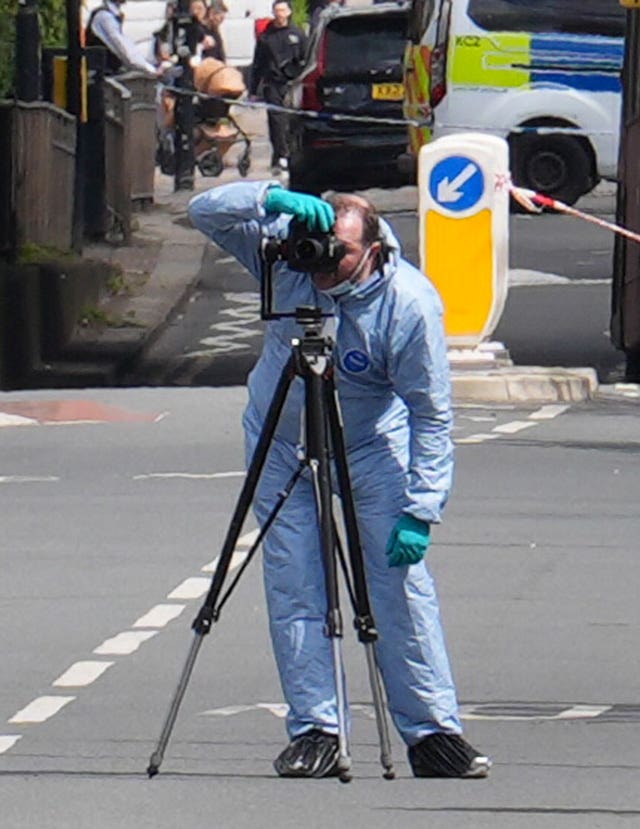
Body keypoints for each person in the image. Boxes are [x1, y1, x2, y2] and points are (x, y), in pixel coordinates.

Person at [187, 179, 492, 780]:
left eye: (340, 252)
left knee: (397, 586)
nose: (322, 261)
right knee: (295, 584)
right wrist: (269, 197)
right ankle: (317, 730)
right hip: (280, 440)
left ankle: (432, 732)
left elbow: (431, 412)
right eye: (316, 245)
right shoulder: (290, 254)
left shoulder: (408, 304)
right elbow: (203, 212)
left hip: (370, 447)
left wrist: (422, 508)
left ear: (374, 251)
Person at [249, 1, 307, 176]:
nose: (280, 14)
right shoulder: (266, 37)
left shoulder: (297, 34)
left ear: (288, 12)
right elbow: (258, 64)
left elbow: (306, 58)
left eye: (282, 10)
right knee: (276, 121)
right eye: (277, 11)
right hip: (272, 83)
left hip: (293, 83)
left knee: (293, 121)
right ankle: (279, 155)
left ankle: (292, 154)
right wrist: (253, 90)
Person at [86, 0, 159, 76]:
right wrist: (150, 69)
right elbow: (123, 49)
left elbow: (126, 46)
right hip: (102, 75)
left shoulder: (111, 14)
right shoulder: (105, 16)